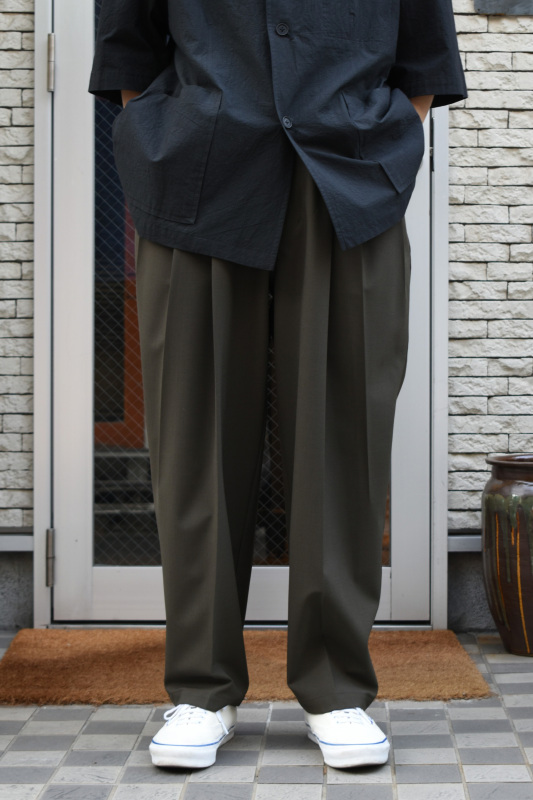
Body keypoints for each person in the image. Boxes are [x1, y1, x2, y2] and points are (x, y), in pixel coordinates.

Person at [89, 0, 467, 771]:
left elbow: (424, 55)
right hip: (196, 173)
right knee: (196, 440)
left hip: (346, 179)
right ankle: (201, 688)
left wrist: (379, 146)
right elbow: (127, 47)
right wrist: (164, 140)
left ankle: (335, 688)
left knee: (342, 438)